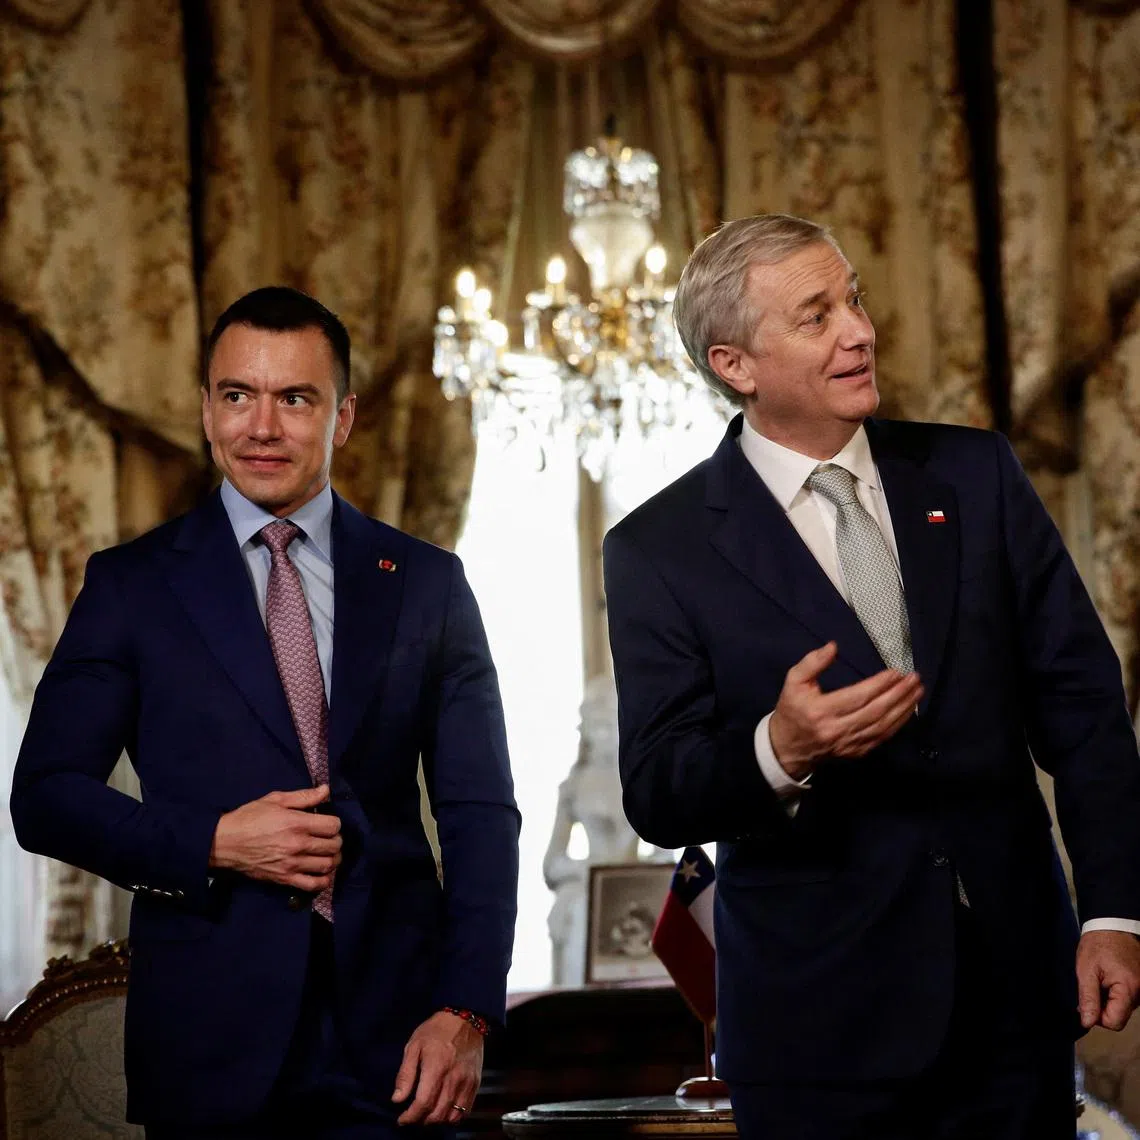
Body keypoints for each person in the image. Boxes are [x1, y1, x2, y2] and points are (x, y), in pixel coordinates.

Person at [602, 214, 1140, 1139]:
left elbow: (1084, 707)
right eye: (816, 316)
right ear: (735, 364)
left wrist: (1115, 915)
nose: (860, 330)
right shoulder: (659, 547)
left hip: (1013, 1005)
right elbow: (657, 789)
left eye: (852, 298)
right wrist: (780, 749)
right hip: (816, 1031)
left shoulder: (976, 474)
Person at [10, 286, 520, 1140]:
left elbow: (480, 813)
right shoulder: (131, 587)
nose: (261, 427)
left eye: (295, 399)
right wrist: (213, 841)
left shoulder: (428, 584)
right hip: (207, 1042)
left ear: (342, 418)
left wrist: (466, 1010)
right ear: (207, 409)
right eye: (237, 395)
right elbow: (45, 797)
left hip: (400, 1044)